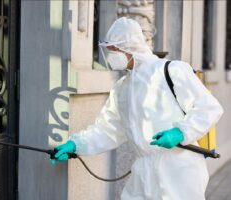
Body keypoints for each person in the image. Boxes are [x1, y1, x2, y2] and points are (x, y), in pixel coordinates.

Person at [51, 17, 224, 200]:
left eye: (114, 50)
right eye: (109, 50)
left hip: (178, 168)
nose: (111, 56)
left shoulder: (171, 71)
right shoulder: (122, 88)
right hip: (143, 171)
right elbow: (108, 130)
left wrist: (180, 132)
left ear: (129, 47)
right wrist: (76, 145)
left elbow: (209, 108)